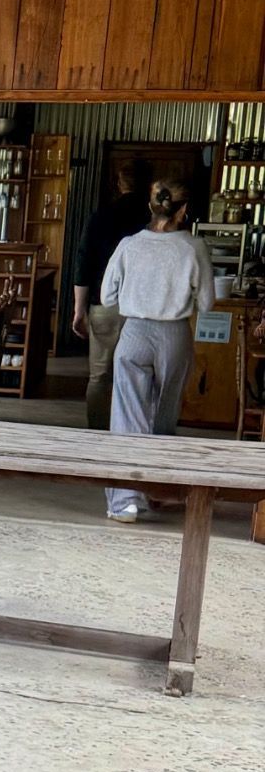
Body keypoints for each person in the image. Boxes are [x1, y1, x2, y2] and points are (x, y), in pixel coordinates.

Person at [100, 177, 214, 522]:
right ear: (184, 210)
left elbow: (106, 296)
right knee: (163, 419)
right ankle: (156, 489)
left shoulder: (128, 245)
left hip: (134, 333)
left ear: (151, 206)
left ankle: (124, 502)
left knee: (127, 417)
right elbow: (207, 302)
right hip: (174, 337)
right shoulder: (194, 247)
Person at [72, 153, 152, 429]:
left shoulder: (101, 217)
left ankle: (97, 432)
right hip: (143, 309)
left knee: (99, 375)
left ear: (119, 184)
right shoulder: (154, 220)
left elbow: (83, 263)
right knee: (137, 373)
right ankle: (131, 432)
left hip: (104, 305)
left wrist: (78, 310)